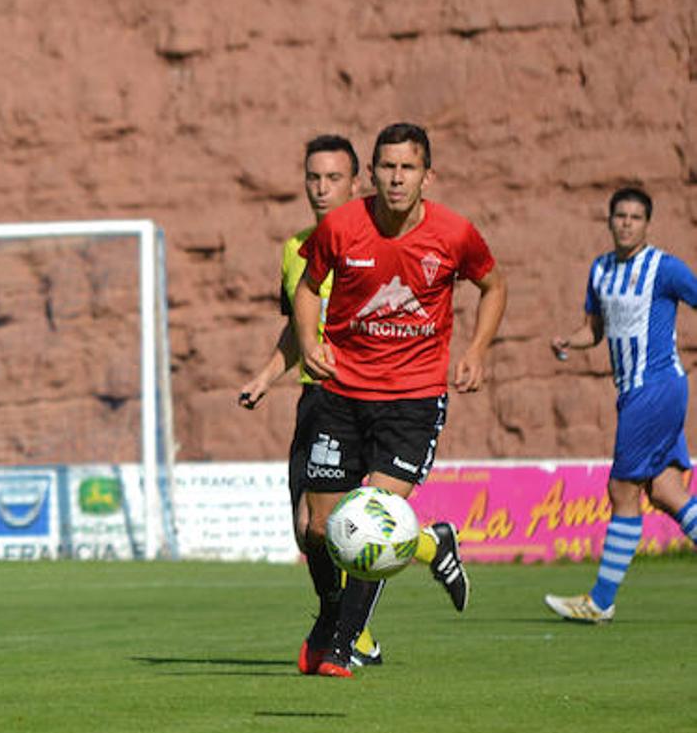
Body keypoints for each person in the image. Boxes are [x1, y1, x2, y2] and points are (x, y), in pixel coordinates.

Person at [292, 121, 509, 678]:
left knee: (377, 518)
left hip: (413, 400)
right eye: (387, 166)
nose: (396, 177)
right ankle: (333, 614)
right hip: (341, 395)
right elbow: (306, 286)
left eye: (407, 167)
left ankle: (341, 646)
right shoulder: (342, 226)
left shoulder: (455, 233)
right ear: (372, 173)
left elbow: (494, 286)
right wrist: (310, 343)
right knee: (318, 530)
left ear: (426, 175)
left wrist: (479, 350)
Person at [237, 134, 385, 668]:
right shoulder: (295, 249)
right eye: (313, 179)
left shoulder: (379, 243)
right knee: (308, 531)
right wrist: (266, 376)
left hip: (368, 398)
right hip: (314, 399)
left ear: (355, 182)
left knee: (354, 522)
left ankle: (350, 634)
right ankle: (340, 614)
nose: (321, 189)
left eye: (333, 179)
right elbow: (297, 331)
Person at [545, 187, 697, 622]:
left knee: (621, 491)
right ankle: (600, 601)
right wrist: (567, 342)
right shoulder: (601, 270)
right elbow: (594, 330)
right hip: (633, 392)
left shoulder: (665, 268)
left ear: (647, 224)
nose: (628, 223)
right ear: (610, 221)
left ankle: (600, 600)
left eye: (636, 217)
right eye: (621, 216)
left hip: (656, 388)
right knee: (667, 492)